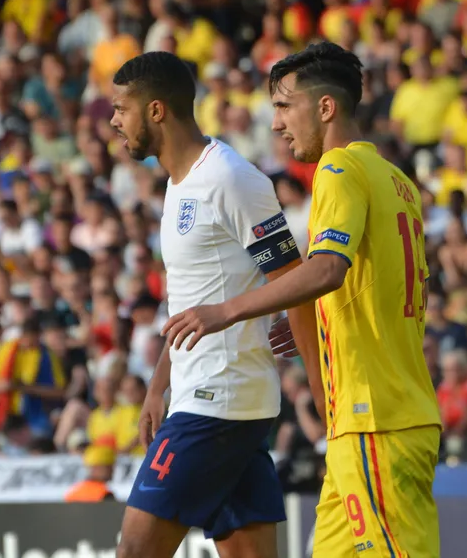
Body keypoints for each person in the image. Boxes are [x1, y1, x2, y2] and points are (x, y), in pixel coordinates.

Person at [162, 42, 442, 557]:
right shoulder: (398, 181)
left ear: (325, 107)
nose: (276, 123)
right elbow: (375, 281)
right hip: (374, 416)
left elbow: (328, 268)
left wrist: (225, 311)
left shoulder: (338, 169)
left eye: (284, 106)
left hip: (375, 417)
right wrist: (324, 317)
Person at [109, 51, 321, 558]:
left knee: (135, 552)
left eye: (121, 108)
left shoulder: (230, 178)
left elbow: (295, 280)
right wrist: (159, 385)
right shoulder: (178, 182)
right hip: (209, 396)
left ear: (156, 110)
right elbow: (194, 299)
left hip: (219, 401)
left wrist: (324, 401)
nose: (114, 121)